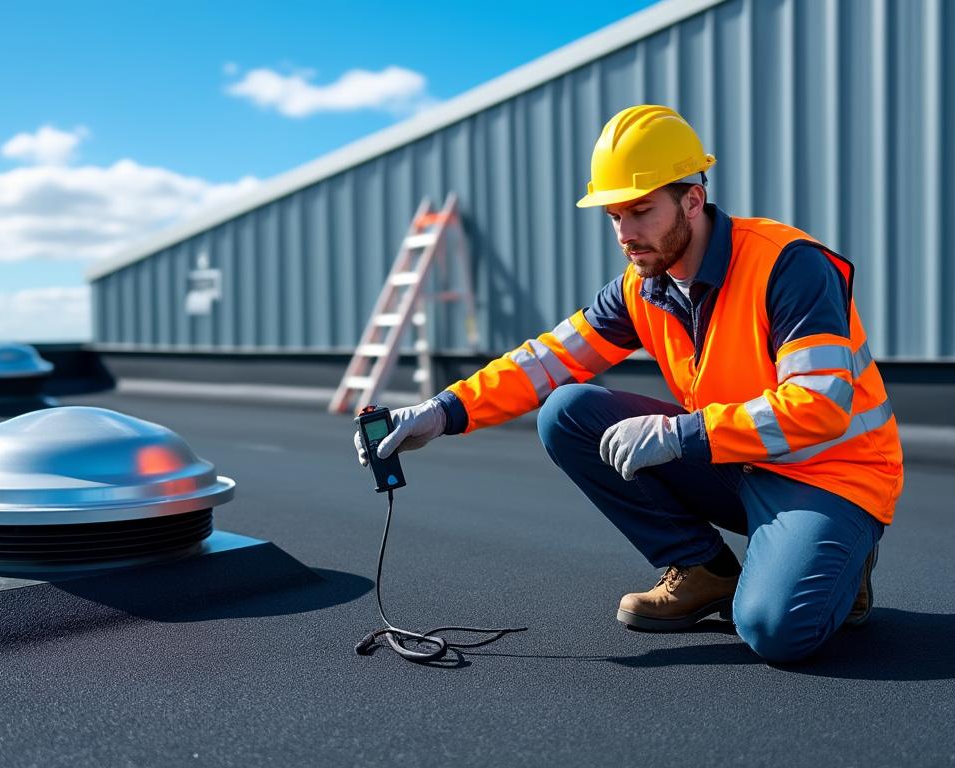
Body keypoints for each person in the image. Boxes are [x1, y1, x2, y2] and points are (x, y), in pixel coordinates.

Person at [353, 104, 904, 664]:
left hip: (831, 474)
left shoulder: (788, 265)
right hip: (741, 458)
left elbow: (820, 405)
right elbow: (545, 362)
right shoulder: (643, 286)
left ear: (692, 199)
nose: (626, 233)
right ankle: (703, 569)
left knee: (774, 630)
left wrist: (678, 436)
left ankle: (844, 559)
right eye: (614, 216)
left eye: (640, 211)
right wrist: (441, 412)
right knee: (568, 412)